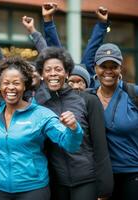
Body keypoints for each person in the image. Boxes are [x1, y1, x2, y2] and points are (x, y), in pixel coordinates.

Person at [0, 56, 83, 200]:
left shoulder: (41, 114)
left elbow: (70, 145)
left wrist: (74, 128)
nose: (11, 88)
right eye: (6, 83)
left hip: (33, 190)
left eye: (16, 83)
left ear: (25, 85)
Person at [34, 46, 113, 200]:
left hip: (86, 179)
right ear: (42, 75)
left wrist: (105, 187)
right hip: (56, 182)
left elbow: (100, 145)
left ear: (67, 73)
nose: (53, 74)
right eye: (48, 70)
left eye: (58, 69)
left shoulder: (88, 100)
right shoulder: (40, 105)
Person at [90, 43, 138, 200]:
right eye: (103, 66)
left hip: (132, 173)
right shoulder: (87, 98)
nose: (108, 71)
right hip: (98, 175)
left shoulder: (133, 93)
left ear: (120, 68)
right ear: (95, 68)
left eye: (114, 66)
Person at [42, 2, 110, 88]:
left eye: (80, 82)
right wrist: (48, 19)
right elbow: (55, 51)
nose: (76, 87)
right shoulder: (59, 95)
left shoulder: (92, 96)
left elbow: (92, 49)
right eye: (71, 82)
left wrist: (102, 24)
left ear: (88, 84)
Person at [0, 17, 42, 100]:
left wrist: (32, 30)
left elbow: (46, 53)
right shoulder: (15, 93)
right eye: (29, 72)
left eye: (34, 71)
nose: (32, 74)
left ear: (41, 75)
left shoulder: (46, 93)